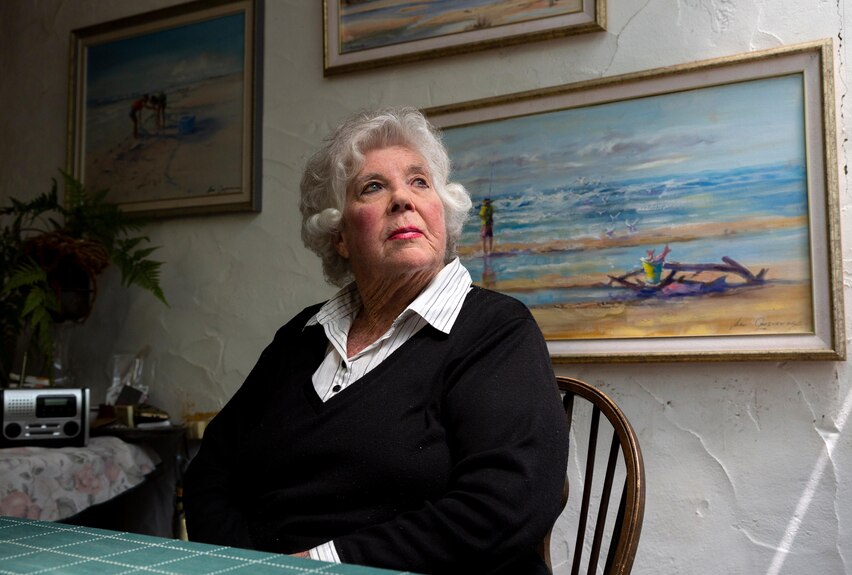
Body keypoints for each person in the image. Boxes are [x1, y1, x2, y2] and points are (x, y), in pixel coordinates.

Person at [183, 107, 568, 575]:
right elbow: (210, 474)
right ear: (339, 234)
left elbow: (506, 503)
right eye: (373, 187)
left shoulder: (496, 329)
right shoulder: (301, 338)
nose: (403, 199)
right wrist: (245, 566)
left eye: (419, 182)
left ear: (441, 213)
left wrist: (319, 567)